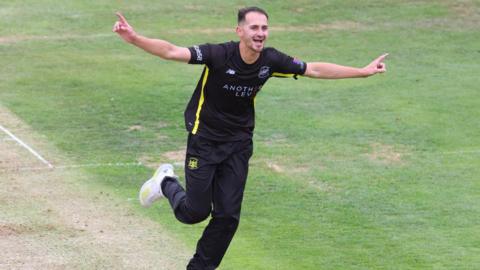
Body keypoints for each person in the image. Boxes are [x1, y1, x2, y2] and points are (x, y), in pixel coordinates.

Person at [113, 6, 387, 270]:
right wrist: (134, 38)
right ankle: (166, 182)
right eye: (254, 27)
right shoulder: (219, 54)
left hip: (238, 144)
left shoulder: (270, 60)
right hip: (204, 140)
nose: (260, 33)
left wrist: (362, 71)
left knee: (228, 217)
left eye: (265, 28)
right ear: (240, 31)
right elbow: (172, 51)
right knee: (195, 213)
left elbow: (313, 69)